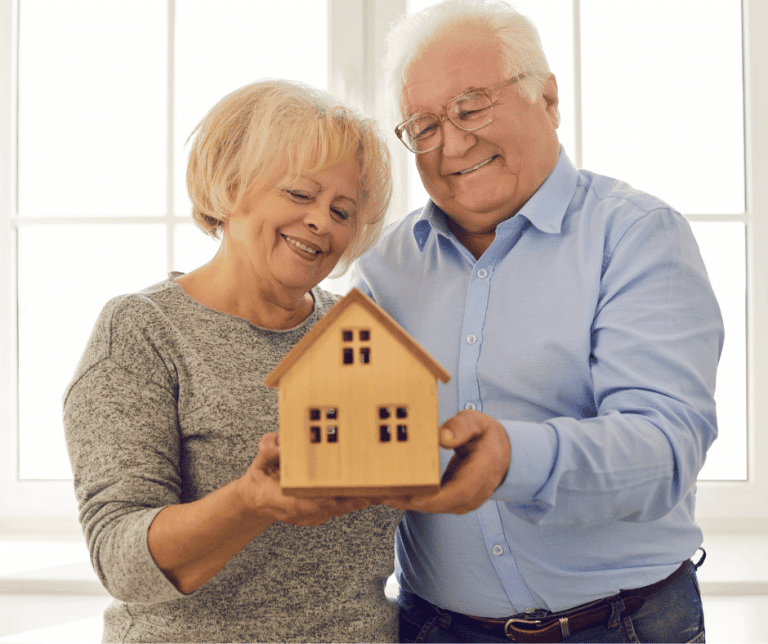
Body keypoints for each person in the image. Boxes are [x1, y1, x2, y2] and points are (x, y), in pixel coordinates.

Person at [354, 0, 724, 641]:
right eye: (423, 125)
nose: (453, 142)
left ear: (547, 99)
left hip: (622, 626)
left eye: (471, 107)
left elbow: (665, 448)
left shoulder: (635, 236)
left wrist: (512, 459)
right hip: (433, 628)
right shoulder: (382, 268)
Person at [63, 79, 402, 643]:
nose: (323, 222)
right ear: (230, 184)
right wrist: (249, 501)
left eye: (343, 210)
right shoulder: (143, 331)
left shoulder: (359, 333)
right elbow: (121, 560)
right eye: (299, 194)